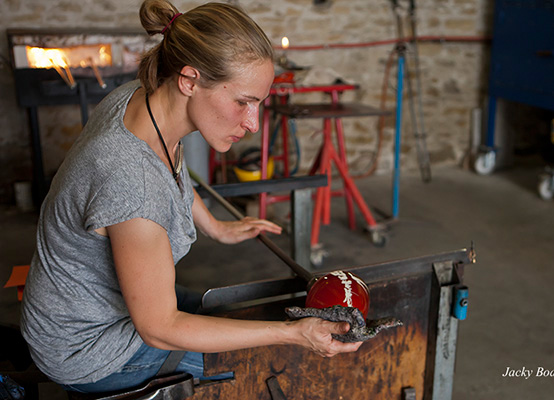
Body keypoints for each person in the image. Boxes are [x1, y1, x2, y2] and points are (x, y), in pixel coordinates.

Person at [20, 0, 361, 394]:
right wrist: (293, 335)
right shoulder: (129, 181)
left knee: (233, 313)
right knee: (268, 359)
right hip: (86, 348)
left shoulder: (142, 100)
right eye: (243, 102)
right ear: (189, 80)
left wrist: (216, 226)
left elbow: (170, 170)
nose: (252, 124)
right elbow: (160, 328)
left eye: (259, 103)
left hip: (87, 306)